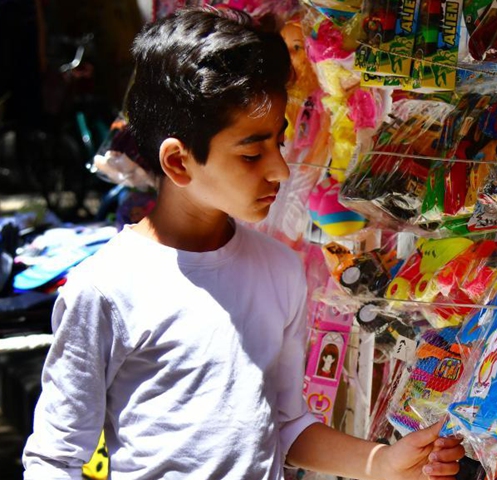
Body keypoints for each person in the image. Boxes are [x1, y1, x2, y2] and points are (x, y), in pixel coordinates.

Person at [22, 8, 465, 479]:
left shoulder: (280, 269)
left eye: (280, 142)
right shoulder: (105, 289)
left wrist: (383, 462)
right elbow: (56, 458)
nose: (280, 169)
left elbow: (285, 424)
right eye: (252, 153)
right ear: (178, 163)